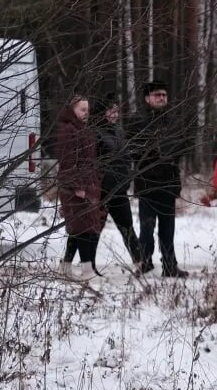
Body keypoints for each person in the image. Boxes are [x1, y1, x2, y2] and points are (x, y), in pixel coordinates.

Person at [127, 79, 191, 278]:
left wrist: (169, 157)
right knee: (147, 226)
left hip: (168, 181)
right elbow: (133, 150)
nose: (162, 98)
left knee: (168, 227)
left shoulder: (173, 120)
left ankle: (170, 265)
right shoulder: (137, 121)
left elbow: (182, 145)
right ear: (147, 98)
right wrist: (155, 156)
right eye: (157, 95)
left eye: (164, 95)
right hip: (147, 181)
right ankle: (144, 262)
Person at [55, 95, 106, 280]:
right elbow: (67, 161)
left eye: (88, 110)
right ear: (72, 110)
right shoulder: (68, 130)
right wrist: (76, 186)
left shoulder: (84, 130)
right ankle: (86, 270)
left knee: (80, 228)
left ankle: (66, 266)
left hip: (88, 185)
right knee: (83, 228)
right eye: (82, 110)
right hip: (74, 188)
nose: (86, 113)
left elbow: (90, 159)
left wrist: (94, 181)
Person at [91, 94, 141, 269]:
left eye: (116, 111)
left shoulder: (119, 131)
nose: (114, 114)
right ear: (102, 112)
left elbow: (126, 157)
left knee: (127, 227)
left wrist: (128, 176)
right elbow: (92, 162)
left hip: (119, 189)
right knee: (94, 229)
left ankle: (140, 263)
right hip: (101, 191)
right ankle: (86, 264)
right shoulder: (95, 133)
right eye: (110, 110)